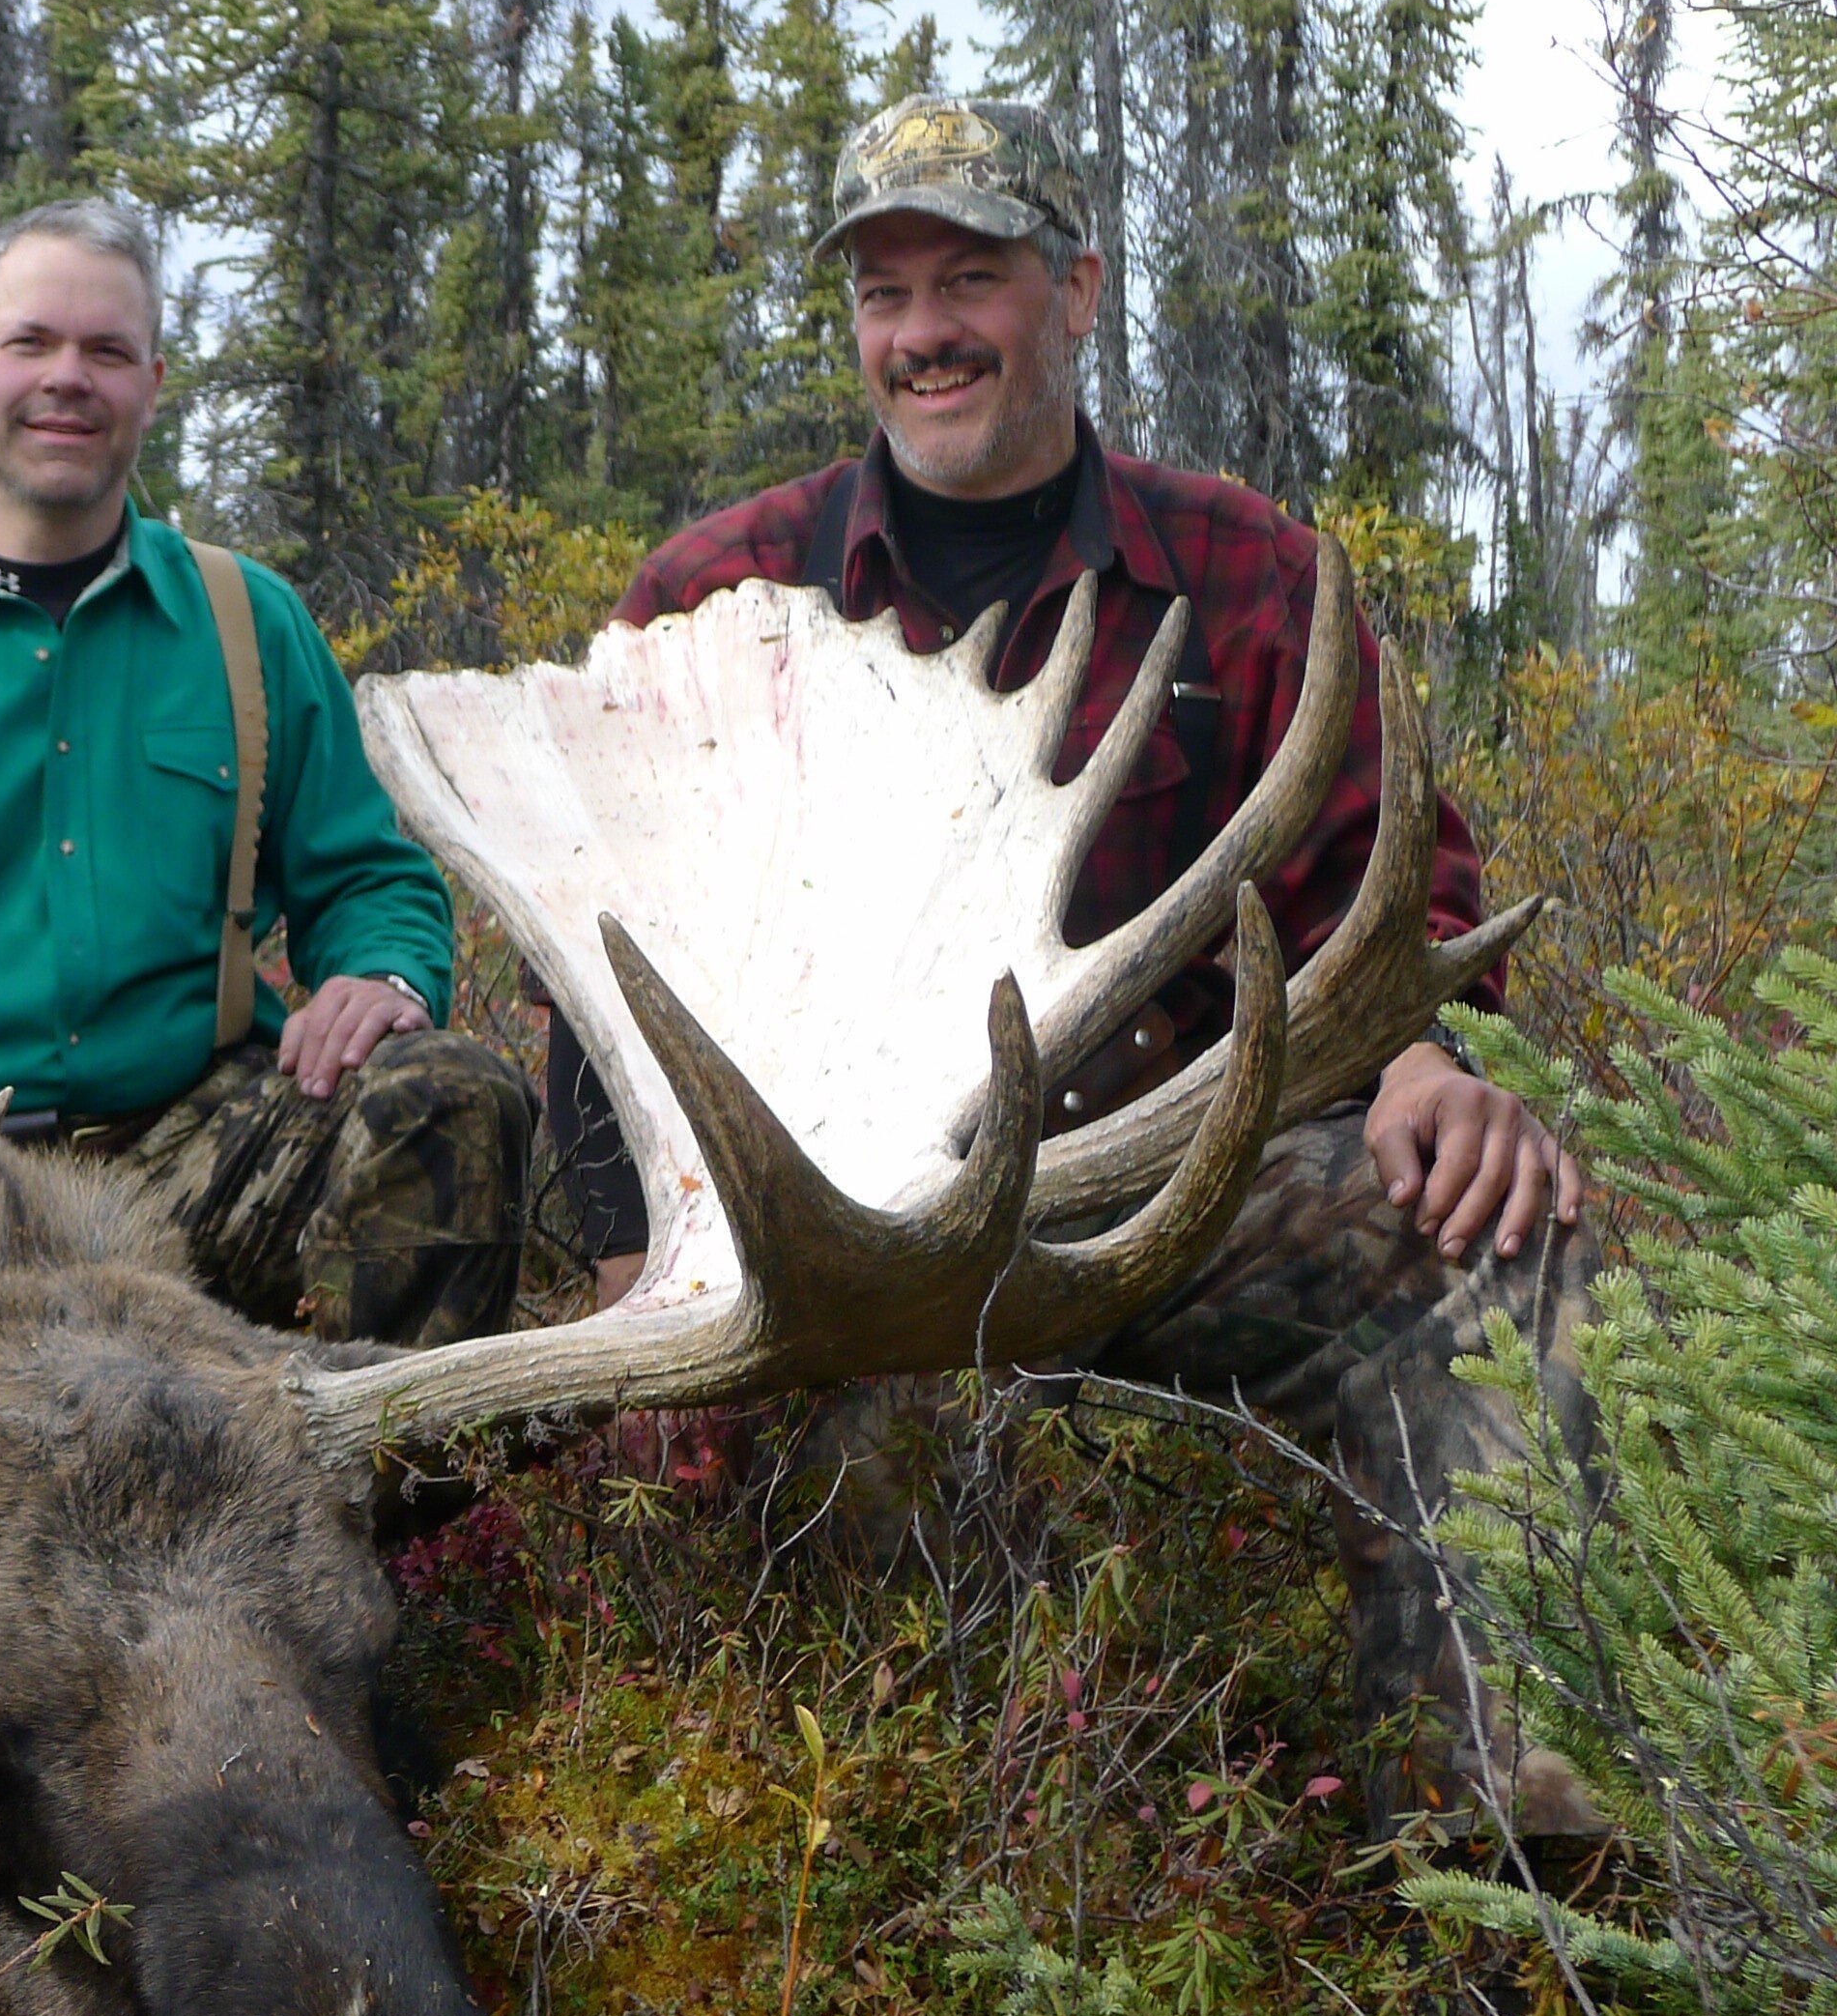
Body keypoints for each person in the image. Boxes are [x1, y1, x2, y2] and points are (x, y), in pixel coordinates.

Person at [542, 96, 1601, 1831]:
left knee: (1487, 1246)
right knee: (858, 1557)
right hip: (843, 1235)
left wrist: (1436, 1067)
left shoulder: (1253, 579)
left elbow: (1383, 896)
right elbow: (595, 965)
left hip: (1158, 1201)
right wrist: (624, 1275)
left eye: (974, 277)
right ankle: (894, 1886)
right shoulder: (716, 595)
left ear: (1079, 291)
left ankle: (1506, 1845)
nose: (925, 332)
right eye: (886, 292)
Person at [0, 200, 530, 1349]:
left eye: (106, 352)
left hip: (198, 1142)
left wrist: (381, 974)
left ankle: (382, 1501)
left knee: (451, 1096)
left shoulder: (248, 624)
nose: (66, 380)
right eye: (30, 343)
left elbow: (365, 877)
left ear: (151, 383)